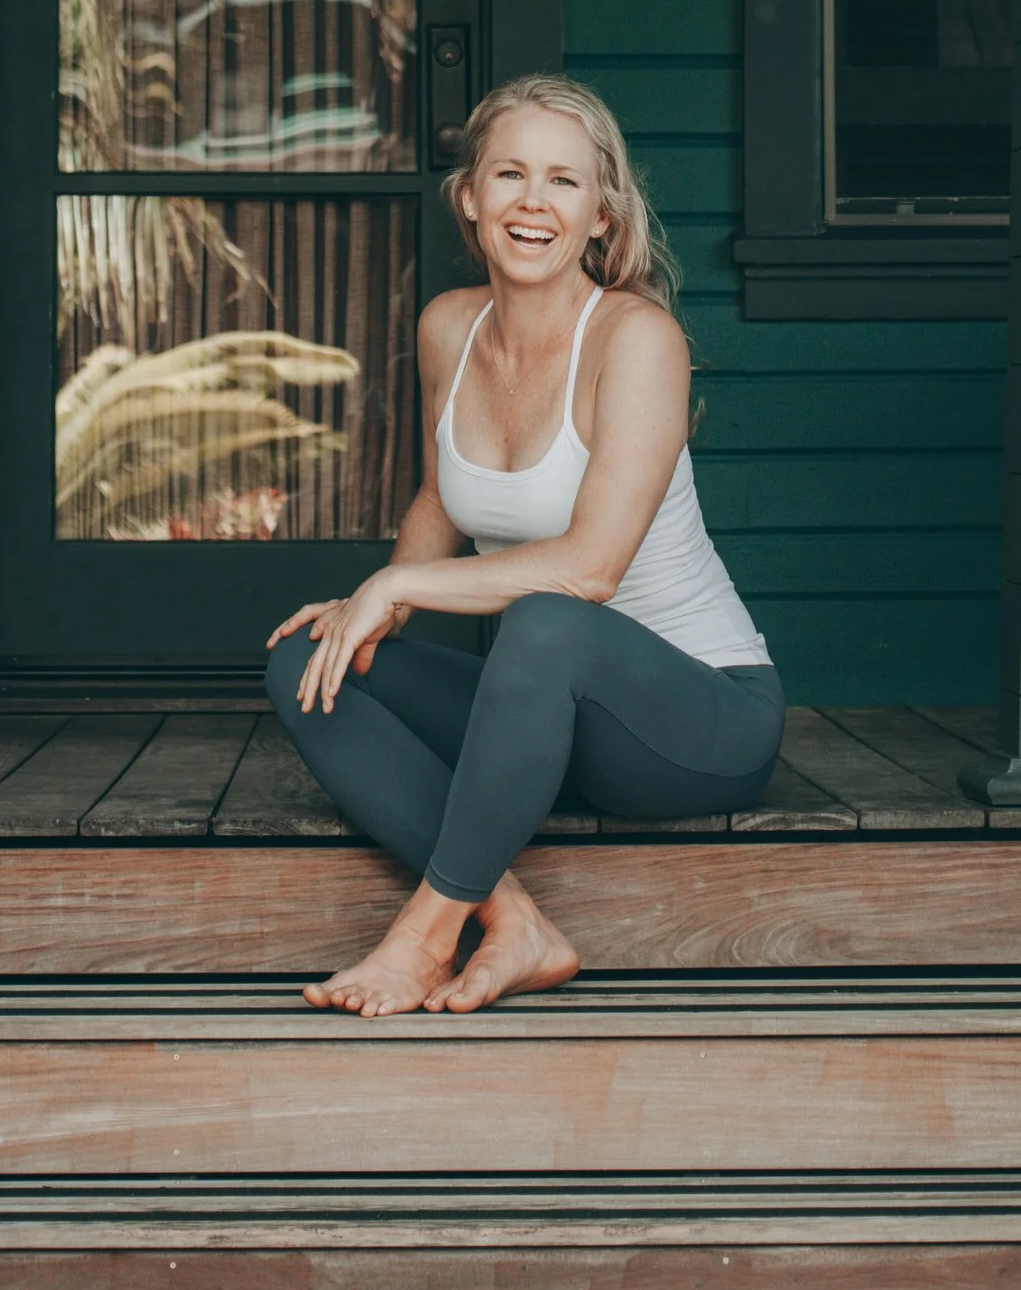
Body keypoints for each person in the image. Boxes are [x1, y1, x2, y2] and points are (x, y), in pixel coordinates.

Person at [265, 73, 784, 1017]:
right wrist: (367, 606)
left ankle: (423, 938)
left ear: (601, 215)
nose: (533, 203)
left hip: (695, 722)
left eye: (564, 182)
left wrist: (400, 583)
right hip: (542, 723)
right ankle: (515, 919)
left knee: (546, 620)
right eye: (510, 175)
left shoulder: (637, 338)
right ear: (471, 198)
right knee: (314, 659)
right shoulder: (448, 328)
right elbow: (438, 495)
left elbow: (591, 568)